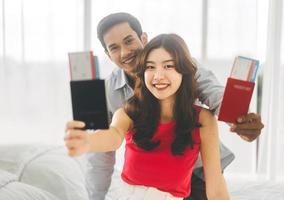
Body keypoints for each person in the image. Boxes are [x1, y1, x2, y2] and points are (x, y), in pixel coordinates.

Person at [87, 13, 264, 200]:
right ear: (107, 54)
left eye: (129, 41)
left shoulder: (182, 65)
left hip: (196, 167)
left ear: (143, 38)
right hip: (145, 180)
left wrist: (239, 120)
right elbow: (103, 151)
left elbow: (214, 93)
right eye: (114, 48)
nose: (124, 53)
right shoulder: (110, 93)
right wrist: (95, 196)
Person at [65, 33, 230, 200]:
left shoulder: (203, 119)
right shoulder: (129, 112)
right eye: (150, 67)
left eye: (168, 66)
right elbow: (113, 136)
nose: (158, 76)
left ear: (183, 70)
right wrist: (88, 141)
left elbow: (215, 185)